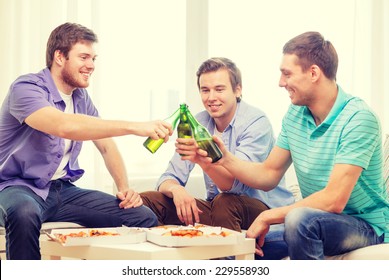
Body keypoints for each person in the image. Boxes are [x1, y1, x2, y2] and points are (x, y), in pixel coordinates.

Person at [0, 22, 174, 260]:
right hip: (15, 187)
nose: (91, 65)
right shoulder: (26, 88)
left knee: (141, 217)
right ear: (59, 57)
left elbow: (105, 144)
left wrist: (124, 189)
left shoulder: (81, 97)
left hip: (62, 191)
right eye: (83, 57)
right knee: (24, 212)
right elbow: (64, 125)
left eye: (94, 58)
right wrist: (135, 127)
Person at [209, 32, 389, 259]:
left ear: (313, 73)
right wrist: (224, 158)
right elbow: (268, 174)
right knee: (240, 242)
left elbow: (334, 200)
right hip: (316, 221)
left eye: (287, 74)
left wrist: (268, 216)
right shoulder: (296, 114)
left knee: (299, 219)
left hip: (365, 225)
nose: (280, 82)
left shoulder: (359, 118)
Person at [140, 58, 294, 251]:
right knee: (149, 200)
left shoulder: (255, 122)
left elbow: (233, 186)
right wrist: (177, 191)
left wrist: (202, 161)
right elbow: (169, 177)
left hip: (262, 209)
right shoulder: (199, 122)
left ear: (237, 90)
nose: (211, 97)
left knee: (225, 202)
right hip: (219, 210)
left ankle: (230, 261)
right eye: (205, 90)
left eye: (219, 89)